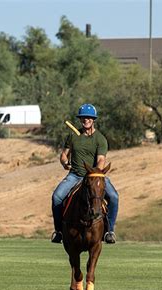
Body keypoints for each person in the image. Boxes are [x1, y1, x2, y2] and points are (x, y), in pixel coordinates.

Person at [51, 103, 119, 244]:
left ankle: (109, 232)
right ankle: (59, 232)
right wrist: (65, 163)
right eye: (83, 118)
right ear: (80, 119)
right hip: (75, 175)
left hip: (94, 176)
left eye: (89, 118)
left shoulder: (100, 139)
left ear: (93, 119)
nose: (86, 120)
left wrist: (93, 174)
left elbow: (101, 160)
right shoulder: (72, 136)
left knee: (114, 197)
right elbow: (64, 155)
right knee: (57, 197)